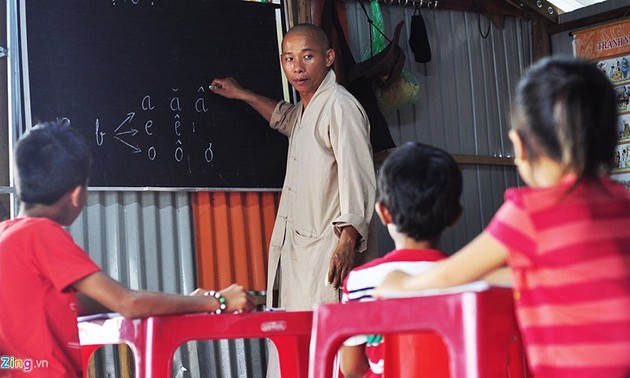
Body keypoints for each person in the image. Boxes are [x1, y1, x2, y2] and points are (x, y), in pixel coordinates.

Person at [376, 56, 630, 377]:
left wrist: (401, 283)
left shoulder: (530, 213)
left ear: (519, 146)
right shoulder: (621, 203)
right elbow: (560, 278)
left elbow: (446, 277)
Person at [0, 121, 256, 377]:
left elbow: (82, 304)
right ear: (77, 194)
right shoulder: (41, 234)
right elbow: (129, 303)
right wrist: (218, 301)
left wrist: (190, 302)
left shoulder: (7, 234)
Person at [209, 23, 376, 311]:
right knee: (298, 339)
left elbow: (359, 178)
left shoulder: (339, 107)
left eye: (307, 57)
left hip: (329, 251)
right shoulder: (305, 110)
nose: (297, 67)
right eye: (289, 58)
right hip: (302, 255)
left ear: (329, 57)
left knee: (327, 341)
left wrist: (347, 243)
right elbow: (283, 117)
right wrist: (243, 94)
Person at [339, 142, 462, 378]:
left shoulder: (360, 282)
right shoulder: (469, 279)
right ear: (455, 216)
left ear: (383, 213)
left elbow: (352, 368)